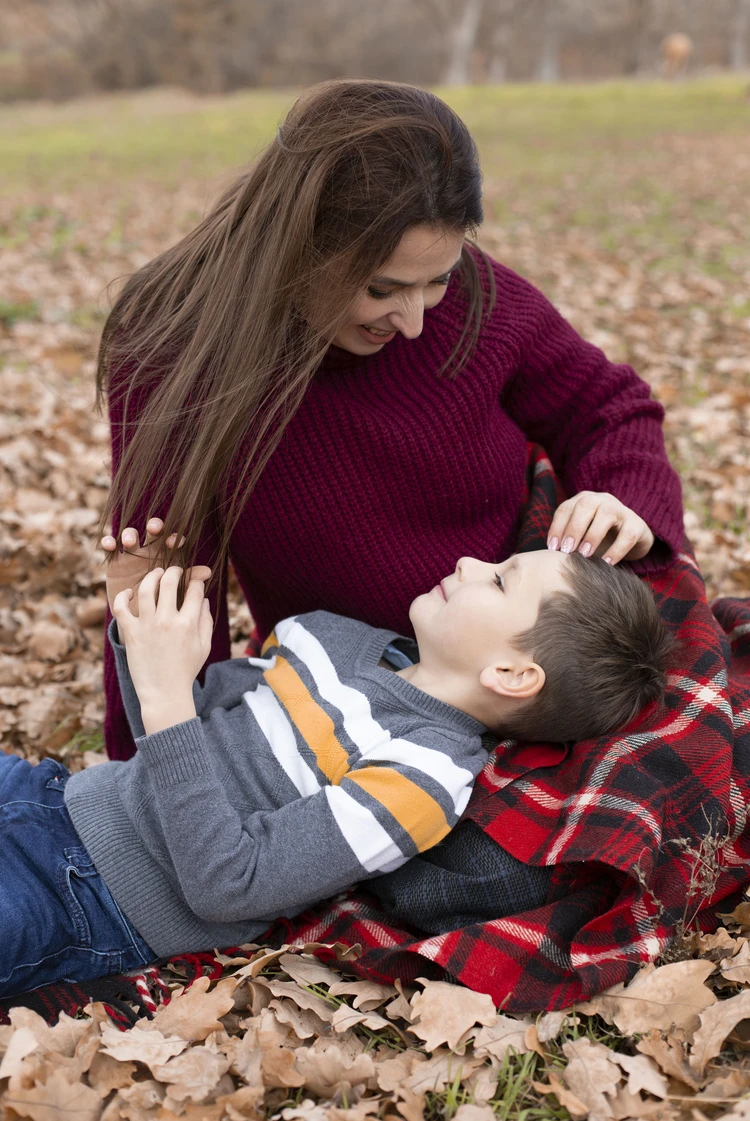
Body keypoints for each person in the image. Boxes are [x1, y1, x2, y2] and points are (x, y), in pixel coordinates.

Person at [96, 78, 684, 765]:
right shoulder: (175, 350)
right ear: (299, 244)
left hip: (530, 637)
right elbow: (163, 586)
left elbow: (608, 406)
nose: (414, 321)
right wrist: (155, 776)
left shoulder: (478, 299)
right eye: (382, 288)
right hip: (349, 694)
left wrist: (625, 501)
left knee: (672, 748)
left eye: (437, 278)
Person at [0, 544, 671, 998]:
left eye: (498, 579)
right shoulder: (328, 638)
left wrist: (167, 695)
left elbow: (229, 886)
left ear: (513, 674)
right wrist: (138, 628)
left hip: (98, 899)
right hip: (54, 794)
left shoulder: (425, 778)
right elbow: (175, 735)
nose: (468, 561)